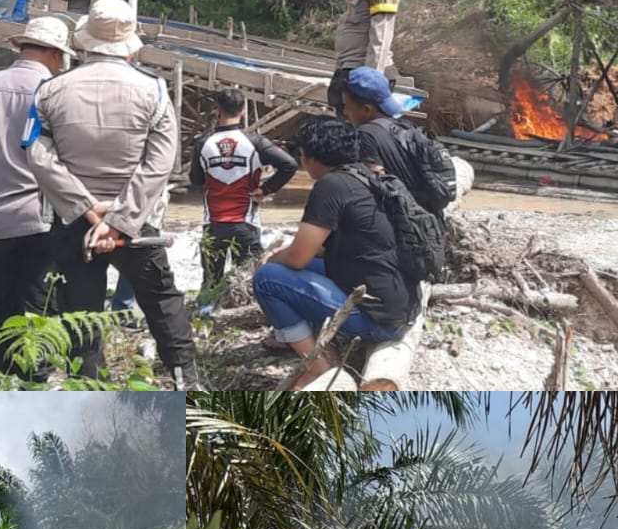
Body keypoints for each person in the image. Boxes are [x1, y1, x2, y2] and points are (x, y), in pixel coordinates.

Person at [23, 0, 198, 388]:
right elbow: (161, 164)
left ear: (86, 41)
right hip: (137, 224)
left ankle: (89, 387)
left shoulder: (50, 91)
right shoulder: (153, 91)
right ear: (130, 41)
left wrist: (87, 210)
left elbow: (38, 156)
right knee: (162, 300)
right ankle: (186, 381)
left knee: (81, 309)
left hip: (74, 225)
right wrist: (120, 219)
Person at [252, 116, 413, 388]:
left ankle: (319, 369)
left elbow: (298, 257)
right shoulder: (368, 175)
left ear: (312, 158)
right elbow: (329, 248)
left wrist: (271, 257)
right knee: (295, 269)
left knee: (267, 278)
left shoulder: (330, 186)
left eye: (302, 155)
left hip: (376, 316)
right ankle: (323, 350)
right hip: (401, 304)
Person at [0, 16, 76, 373]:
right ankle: (34, 383)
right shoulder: (57, 90)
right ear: (55, 53)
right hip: (40, 223)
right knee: (39, 314)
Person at [188, 87, 298, 291]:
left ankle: (205, 318)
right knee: (248, 283)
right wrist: (266, 189)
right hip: (246, 224)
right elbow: (289, 165)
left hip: (213, 224)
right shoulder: (255, 142)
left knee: (211, 283)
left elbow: (195, 180)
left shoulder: (203, 144)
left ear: (216, 111)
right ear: (244, 111)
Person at [340, 67, 470, 215]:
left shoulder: (366, 135)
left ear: (367, 109)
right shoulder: (406, 127)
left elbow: (371, 188)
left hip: (403, 226)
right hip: (428, 222)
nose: (345, 113)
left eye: (347, 107)